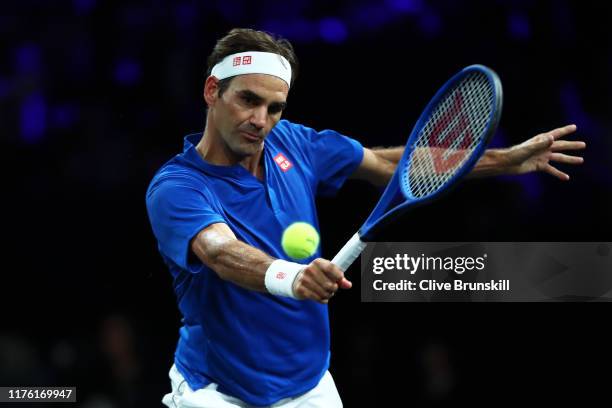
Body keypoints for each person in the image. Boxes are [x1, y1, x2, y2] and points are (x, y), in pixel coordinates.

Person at [146, 28, 585, 408]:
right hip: (218, 391)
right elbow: (221, 253)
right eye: (248, 100)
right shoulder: (178, 187)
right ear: (211, 91)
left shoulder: (295, 144)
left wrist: (505, 161)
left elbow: (393, 166)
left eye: (275, 107)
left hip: (308, 385)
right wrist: (293, 278)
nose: (261, 120)